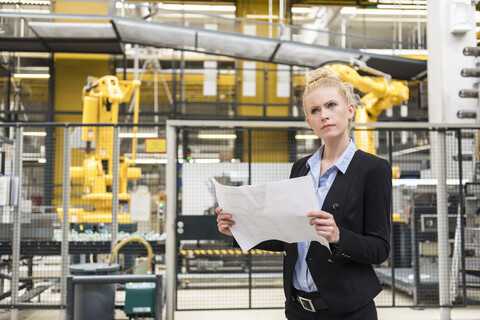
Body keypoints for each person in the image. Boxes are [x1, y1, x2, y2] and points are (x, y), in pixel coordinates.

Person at [216, 67, 392, 320]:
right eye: (315, 111)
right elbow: (289, 237)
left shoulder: (373, 169)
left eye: (332, 105)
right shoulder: (301, 168)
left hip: (348, 311)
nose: (324, 115)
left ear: (350, 110)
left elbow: (380, 248)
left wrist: (338, 236)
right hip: (299, 310)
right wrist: (238, 227)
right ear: (309, 123)